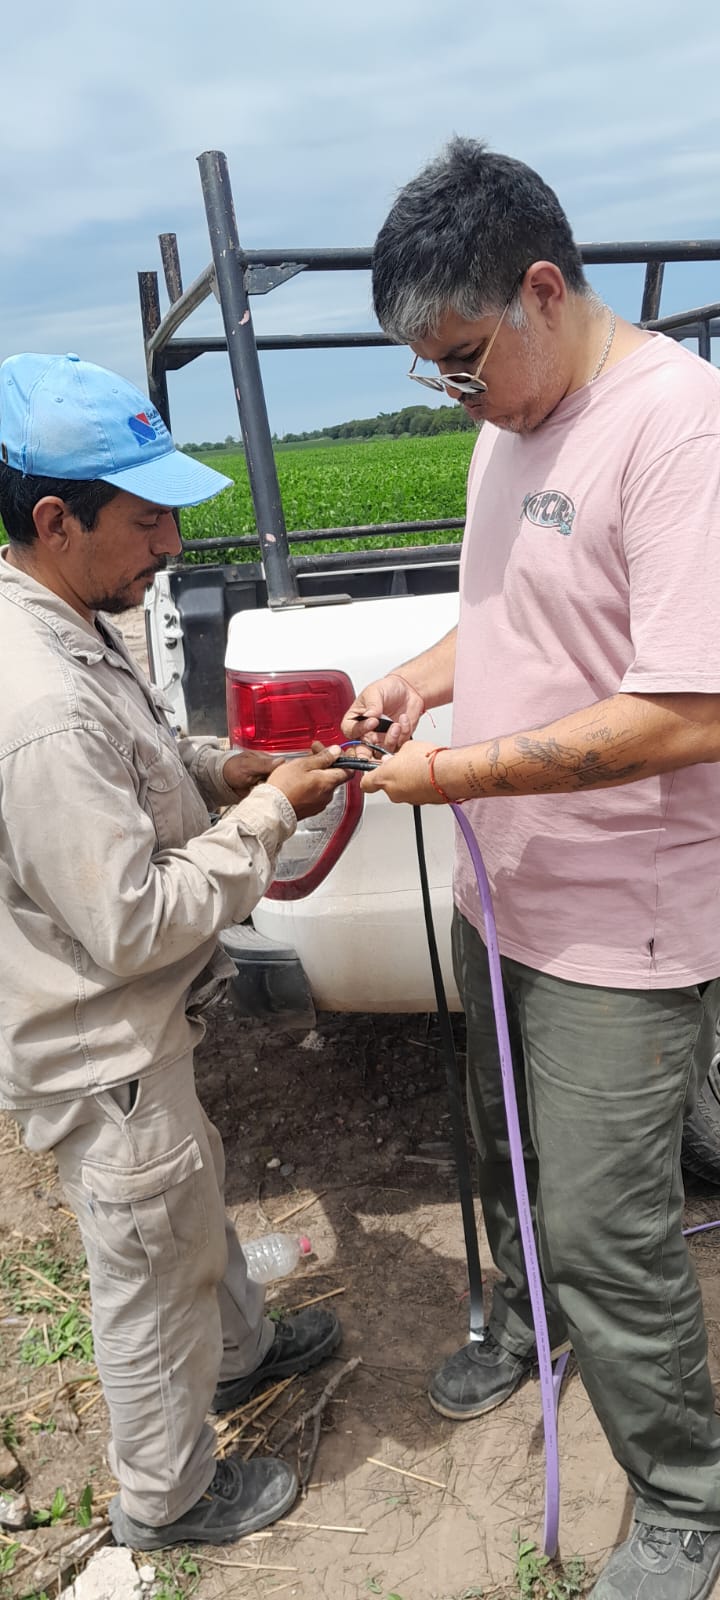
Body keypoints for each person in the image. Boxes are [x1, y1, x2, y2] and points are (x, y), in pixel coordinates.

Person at [342, 139, 720, 1600]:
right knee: (505, 1150)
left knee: (608, 1223)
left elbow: (686, 711)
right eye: (432, 369)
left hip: (623, 920)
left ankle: (685, 1498)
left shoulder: (674, 428)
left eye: (461, 357)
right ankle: (534, 1320)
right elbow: (513, 613)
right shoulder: (512, 421)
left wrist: (451, 777)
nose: (454, 391)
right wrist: (419, 679)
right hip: (506, 889)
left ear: (544, 290)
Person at [0, 352, 351, 1552]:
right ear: (58, 518)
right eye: (147, 517)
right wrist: (272, 813)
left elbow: (137, 756)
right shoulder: (37, 702)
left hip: (136, 1035)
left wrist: (225, 768)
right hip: (101, 1047)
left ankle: (243, 1352)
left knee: (187, 1197)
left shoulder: (61, 620)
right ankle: (167, 1499)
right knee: (150, 1266)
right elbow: (135, 917)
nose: (171, 542)